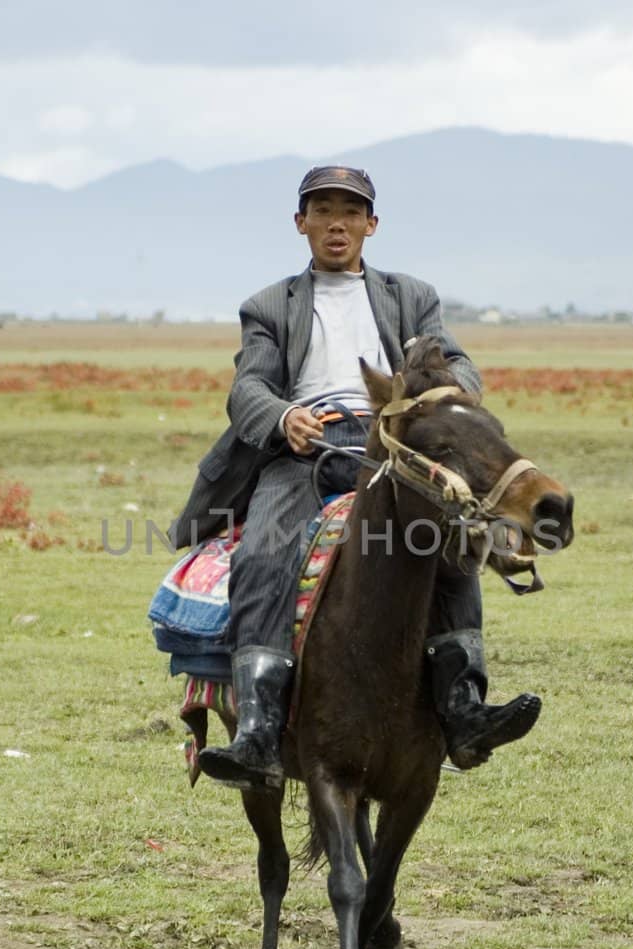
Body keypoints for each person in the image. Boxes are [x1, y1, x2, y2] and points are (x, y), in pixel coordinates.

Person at [169, 165, 540, 792]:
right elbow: (248, 387)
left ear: (371, 225)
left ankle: (464, 710)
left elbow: (457, 364)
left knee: (450, 545)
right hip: (303, 452)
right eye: (322, 211)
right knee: (263, 554)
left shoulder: (411, 297)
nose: (335, 223)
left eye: (350, 211)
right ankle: (258, 733)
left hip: (392, 447)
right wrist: (284, 416)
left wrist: (441, 398)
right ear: (301, 224)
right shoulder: (267, 306)